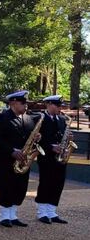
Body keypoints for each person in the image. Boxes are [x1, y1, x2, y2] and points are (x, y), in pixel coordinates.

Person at [0, 91, 41, 227]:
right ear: (13, 103)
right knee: (6, 185)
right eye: (23, 103)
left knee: (20, 187)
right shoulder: (1, 118)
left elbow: (30, 136)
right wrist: (12, 151)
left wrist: (36, 138)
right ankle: (4, 215)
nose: (25, 106)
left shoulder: (28, 118)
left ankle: (13, 215)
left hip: (23, 159)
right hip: (5, 158)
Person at [35, 95, 71, 224]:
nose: (60, 108)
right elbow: (36, 139)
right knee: (46, 183)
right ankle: (42, 212)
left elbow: (62, 136)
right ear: (49, 104)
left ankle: (52, 211)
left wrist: (67, 143)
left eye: (60, 106)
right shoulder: (40, 118)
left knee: (58, 183)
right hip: (46, 156)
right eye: (57, 105)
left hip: (60, 157)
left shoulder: (62, 120)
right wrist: (51, 147)